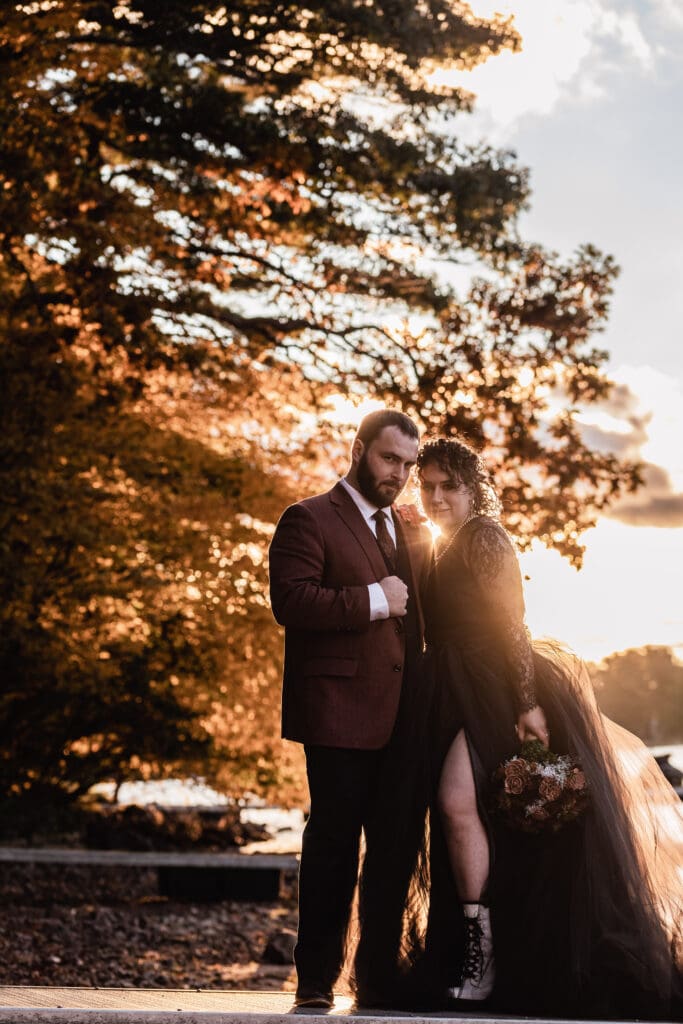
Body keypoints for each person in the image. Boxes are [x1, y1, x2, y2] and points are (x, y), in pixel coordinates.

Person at [354, 436, 683, 1019]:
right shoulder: (440, 542)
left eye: (447, 486)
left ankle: (483, 951)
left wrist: (528, 700)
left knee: (458, 803)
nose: (434, 497)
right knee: (458, 814)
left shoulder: (485, 536)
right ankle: (476, 946)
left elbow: (512, 620)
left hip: (493, 684)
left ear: (471, 489)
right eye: (425, 485)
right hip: (445, 688)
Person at [268, 409, 432, 1008]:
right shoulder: (308, 517)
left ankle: (377, 980)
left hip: (403, 716)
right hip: (336, 710)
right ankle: (315, 981)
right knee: (334, 844)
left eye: (409, 466)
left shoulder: (408, 527)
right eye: (390, 459)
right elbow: (291, 600)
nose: (399, 475)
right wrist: (374, 600)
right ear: (359, 449)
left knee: (393, 847)